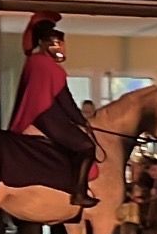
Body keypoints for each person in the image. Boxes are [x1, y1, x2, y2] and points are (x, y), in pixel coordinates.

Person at [9, 12, 98, 207]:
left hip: (38, 113)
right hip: (45, 114)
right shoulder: (48, 66)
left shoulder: (33, 62)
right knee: (86, 146)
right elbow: (64, 100)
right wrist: (82, 122)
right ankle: (79, 192)